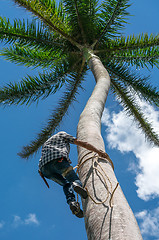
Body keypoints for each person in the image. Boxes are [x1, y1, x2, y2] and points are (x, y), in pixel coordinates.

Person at [39, 131, 110, 218]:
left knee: (66, 184)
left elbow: (46, 157)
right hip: (58, 160)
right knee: (72, 179)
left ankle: (72, 202)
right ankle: (76, 184)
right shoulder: (62, 134)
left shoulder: (46, 144)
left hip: (44, 169)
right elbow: (83, 144)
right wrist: (98, 152)